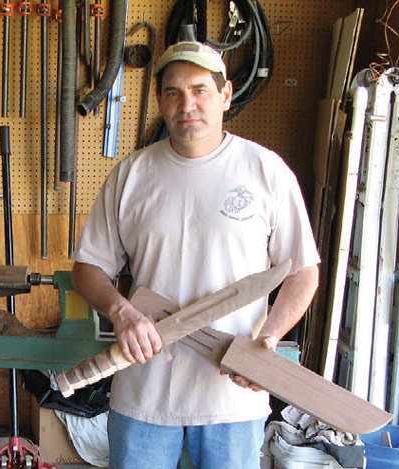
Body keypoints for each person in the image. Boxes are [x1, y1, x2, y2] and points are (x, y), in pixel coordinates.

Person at [70, 41, 320, 468]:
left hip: (232, 398)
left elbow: (303, 272)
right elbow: (88, 269)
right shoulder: (131, 176)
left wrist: (268, 340)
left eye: (200, 89)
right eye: (174, 92)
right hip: (144, 395)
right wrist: (121, 312)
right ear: (160, 101)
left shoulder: (266, 171)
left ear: (226, 95)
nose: (187, 104)